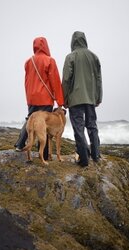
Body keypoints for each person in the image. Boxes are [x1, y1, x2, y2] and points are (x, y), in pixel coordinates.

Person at [15, 37, 64, 160]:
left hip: (32, 98)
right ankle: (44, 155)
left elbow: (26, 81)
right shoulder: (49, 61)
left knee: (31, 120)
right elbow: (55, 82)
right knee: (45, 125)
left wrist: (28, 97)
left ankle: (19, 144)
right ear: (46, 46)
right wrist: (60, 101)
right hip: (45, 98)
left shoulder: (28, 62)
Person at [62, 31, 102, 167]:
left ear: (73, 42)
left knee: (78, 128)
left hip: (75, 99)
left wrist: (64, 98)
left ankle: (84, 159)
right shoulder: (94, 57)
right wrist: (98, 97)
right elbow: (98, 80)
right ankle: (96, 155)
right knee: (92, 125)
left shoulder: (71, 57)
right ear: (85, 40)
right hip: (90, 98)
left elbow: (66, 79)